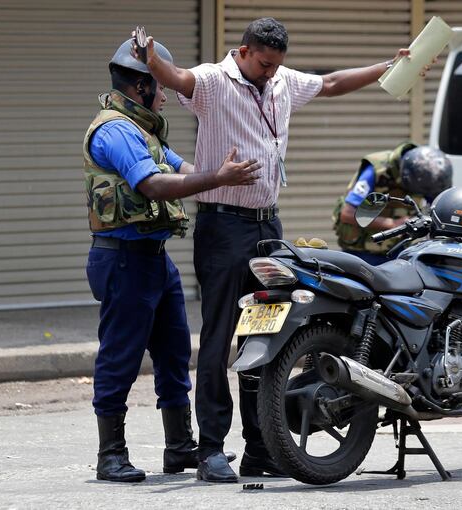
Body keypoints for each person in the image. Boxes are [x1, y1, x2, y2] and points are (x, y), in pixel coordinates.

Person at [134, 17, 415, 483]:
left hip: (268, 227)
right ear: (243, 52)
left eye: (275, 66)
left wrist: (388, 66)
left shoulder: (282, 81)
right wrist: (151, 59)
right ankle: (210, 451)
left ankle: (260, 448)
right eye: (263, 64)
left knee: (265, 337)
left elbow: (331, 83)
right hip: (223, 228)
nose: (269, 74)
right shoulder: (212, 82)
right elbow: (176, 77)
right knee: (221, 337)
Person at [84, 38, 260, 483]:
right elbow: (154, 186)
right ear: (141, 86)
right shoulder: (116, 130)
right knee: (120, 356)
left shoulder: (144, 129)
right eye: (160, 86)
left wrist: (222, 179)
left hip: (154, 260)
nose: (165, 94)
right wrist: (214, 178)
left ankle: (180, 446)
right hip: (123, 260)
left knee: (174, 352)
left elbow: (183, 170)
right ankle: (111, 454)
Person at [333, 144, 453, 265]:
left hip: (397, 249)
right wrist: (392, 224)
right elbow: (347, 214)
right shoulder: (377, 170)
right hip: (361, 251)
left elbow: (437, 208)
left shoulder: (427, 176)